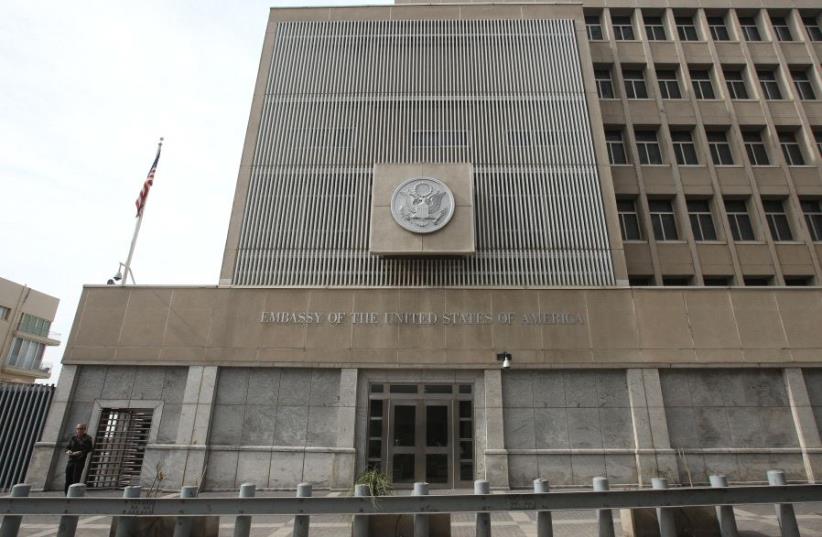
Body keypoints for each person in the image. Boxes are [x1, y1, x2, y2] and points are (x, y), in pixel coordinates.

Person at [65, 423, 93, 494]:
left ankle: (73, 494)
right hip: (71, 460)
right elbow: (67, 447)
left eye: (81, 429)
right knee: (68, 477)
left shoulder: (88, 438)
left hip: (79, 461)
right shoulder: (73, 438)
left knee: (75, 478)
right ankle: (66, 493)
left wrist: (80, 452)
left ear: (84, 430)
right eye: (77, 429)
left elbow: (89, 449)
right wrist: (68, 451)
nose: (79, 430)